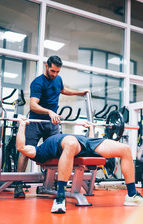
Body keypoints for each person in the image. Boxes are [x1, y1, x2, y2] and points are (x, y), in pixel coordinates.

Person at [16, 118, 143, 213]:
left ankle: (132, 195)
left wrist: (91, 129)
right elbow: (20, 147)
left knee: (125, 149)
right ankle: (60, 197)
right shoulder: (39, 152)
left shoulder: (52, 144)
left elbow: (88, 150)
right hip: (73, 144)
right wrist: (22, 125)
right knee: (71, 144)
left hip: (86, 141)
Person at [15, 55, 89, 198]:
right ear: (46, 66)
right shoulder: (38, 82)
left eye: (57, 72)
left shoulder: (58, 79)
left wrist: (81, 92)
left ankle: (54, 183)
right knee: (24, 152)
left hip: (52, 123)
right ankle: (18, 184)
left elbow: (63, 90)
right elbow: (33, 105)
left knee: (58, 152)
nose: (54, 74)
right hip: (36, 122)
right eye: (52, 71)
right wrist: (49, 111)